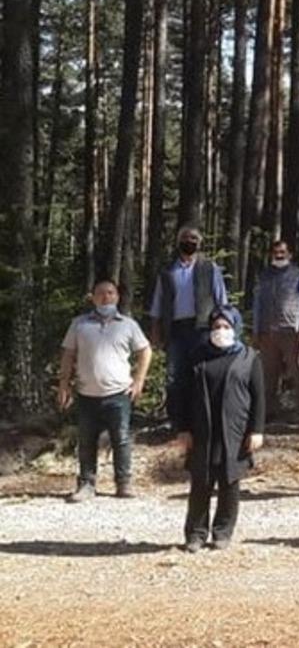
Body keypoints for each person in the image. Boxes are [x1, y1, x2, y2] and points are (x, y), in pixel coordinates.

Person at [171, 306, 265, 552]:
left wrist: (257, 430)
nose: (220, 331)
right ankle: (195, 534)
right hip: (201, 430)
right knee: (200, 482)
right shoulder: (197, 356)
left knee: (229, 482)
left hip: (235, 431)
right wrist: (182, 428)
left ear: (235, 328)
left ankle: (222, 532)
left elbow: (259, 397)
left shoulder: (249, 357)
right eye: (216, 327)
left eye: (226, 327)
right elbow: (180, 393)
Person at [57, 279, 152, 502]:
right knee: (86, 440)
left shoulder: (128, 325)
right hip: (86, 393)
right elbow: (68, 355)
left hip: (118, 394)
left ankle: (124, 483)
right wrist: (64, 385)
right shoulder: (79, 324)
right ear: (93, 297)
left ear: (117, 297)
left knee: (121, 439)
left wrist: (139, 380)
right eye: (100, 293)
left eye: (110, 293)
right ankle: (87, 484)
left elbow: (145, 351)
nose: (105, 297)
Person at [149, 225, 228, 410]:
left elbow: (221, 300)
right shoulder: (167, 271)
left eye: (194, 238)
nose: (189, 241)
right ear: (178, 242)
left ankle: (201, 416)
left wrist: (222, 325)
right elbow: (157, 304)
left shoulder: (210, 268)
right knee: (175, 375)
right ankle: (176, 418)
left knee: (200, 372)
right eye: (185, 238)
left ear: (200, 243)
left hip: (202, 327)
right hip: (175, 329)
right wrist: (155, 331)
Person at [251, 240, 299, 421]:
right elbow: (257, 304)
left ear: (290, 255)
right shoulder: (264, 277)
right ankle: (269, 411)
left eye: (283, 252)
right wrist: (256, 331)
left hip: (292, 332)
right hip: (267, 332)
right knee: (268, 374)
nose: (279, 255)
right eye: (276, 252)